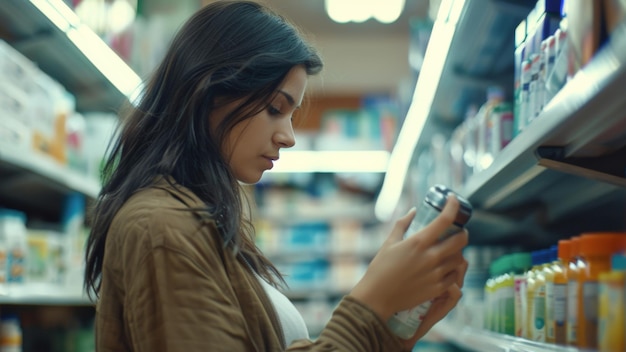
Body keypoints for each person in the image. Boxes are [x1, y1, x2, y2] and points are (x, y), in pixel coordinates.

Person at [84, 1, 469, 351]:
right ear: (211, 90)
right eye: (274, 108)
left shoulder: (199, 221)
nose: (287, 136)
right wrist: (371, 303)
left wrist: (389, 326)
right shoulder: (162, 228)